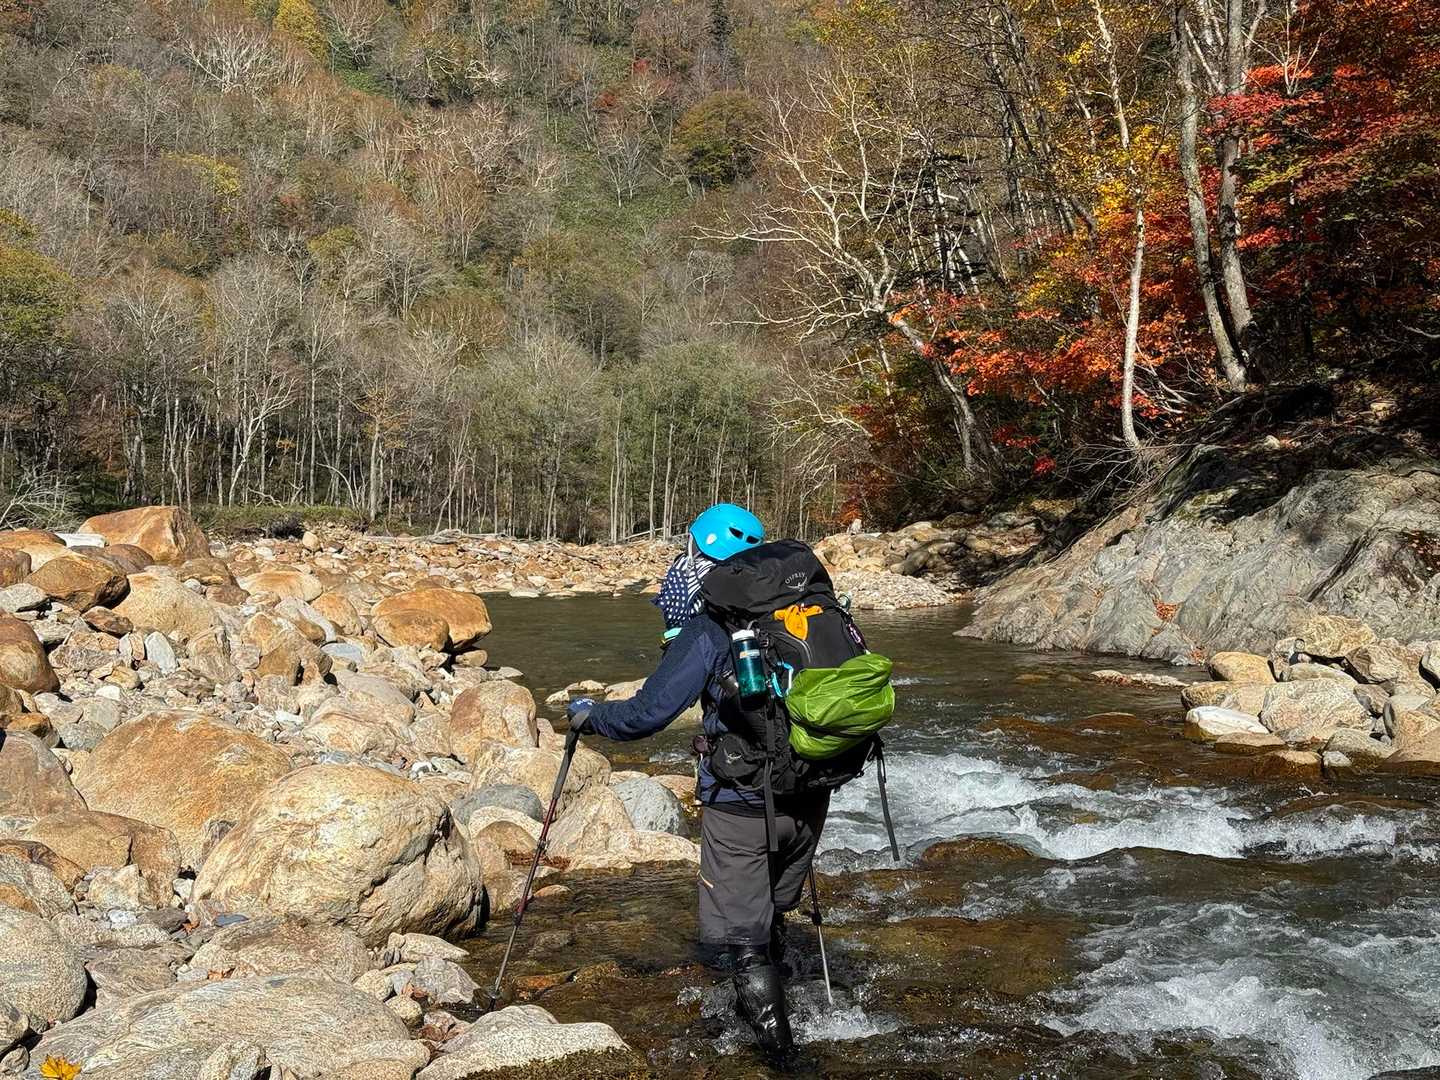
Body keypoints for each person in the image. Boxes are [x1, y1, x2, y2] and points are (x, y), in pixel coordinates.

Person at [566, 502, 823, 1057]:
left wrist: (591, 716)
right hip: (812, 788)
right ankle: (797, 1005)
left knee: (742, 940)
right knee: (773, 911)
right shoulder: (804, 609)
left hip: (743, 799)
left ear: (696, 550)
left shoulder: (709, 625)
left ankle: (783, 1059)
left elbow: (645, 716)